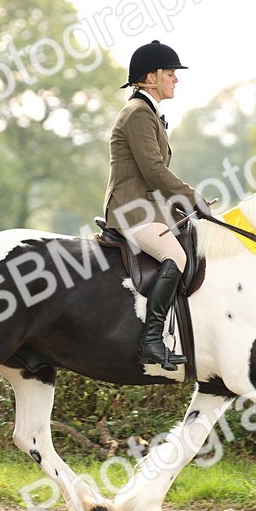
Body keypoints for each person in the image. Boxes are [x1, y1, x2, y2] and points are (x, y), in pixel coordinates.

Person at [103, 40, 213, 370]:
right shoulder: (138, 113)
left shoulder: (148, 113)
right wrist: (192, 198)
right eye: (170, 73)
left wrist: (182, 208)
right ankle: (151, 341)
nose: (176, 79)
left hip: (149, 208)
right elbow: (153, 170)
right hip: (131, 210)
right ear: (150, 77)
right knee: (176, 256)